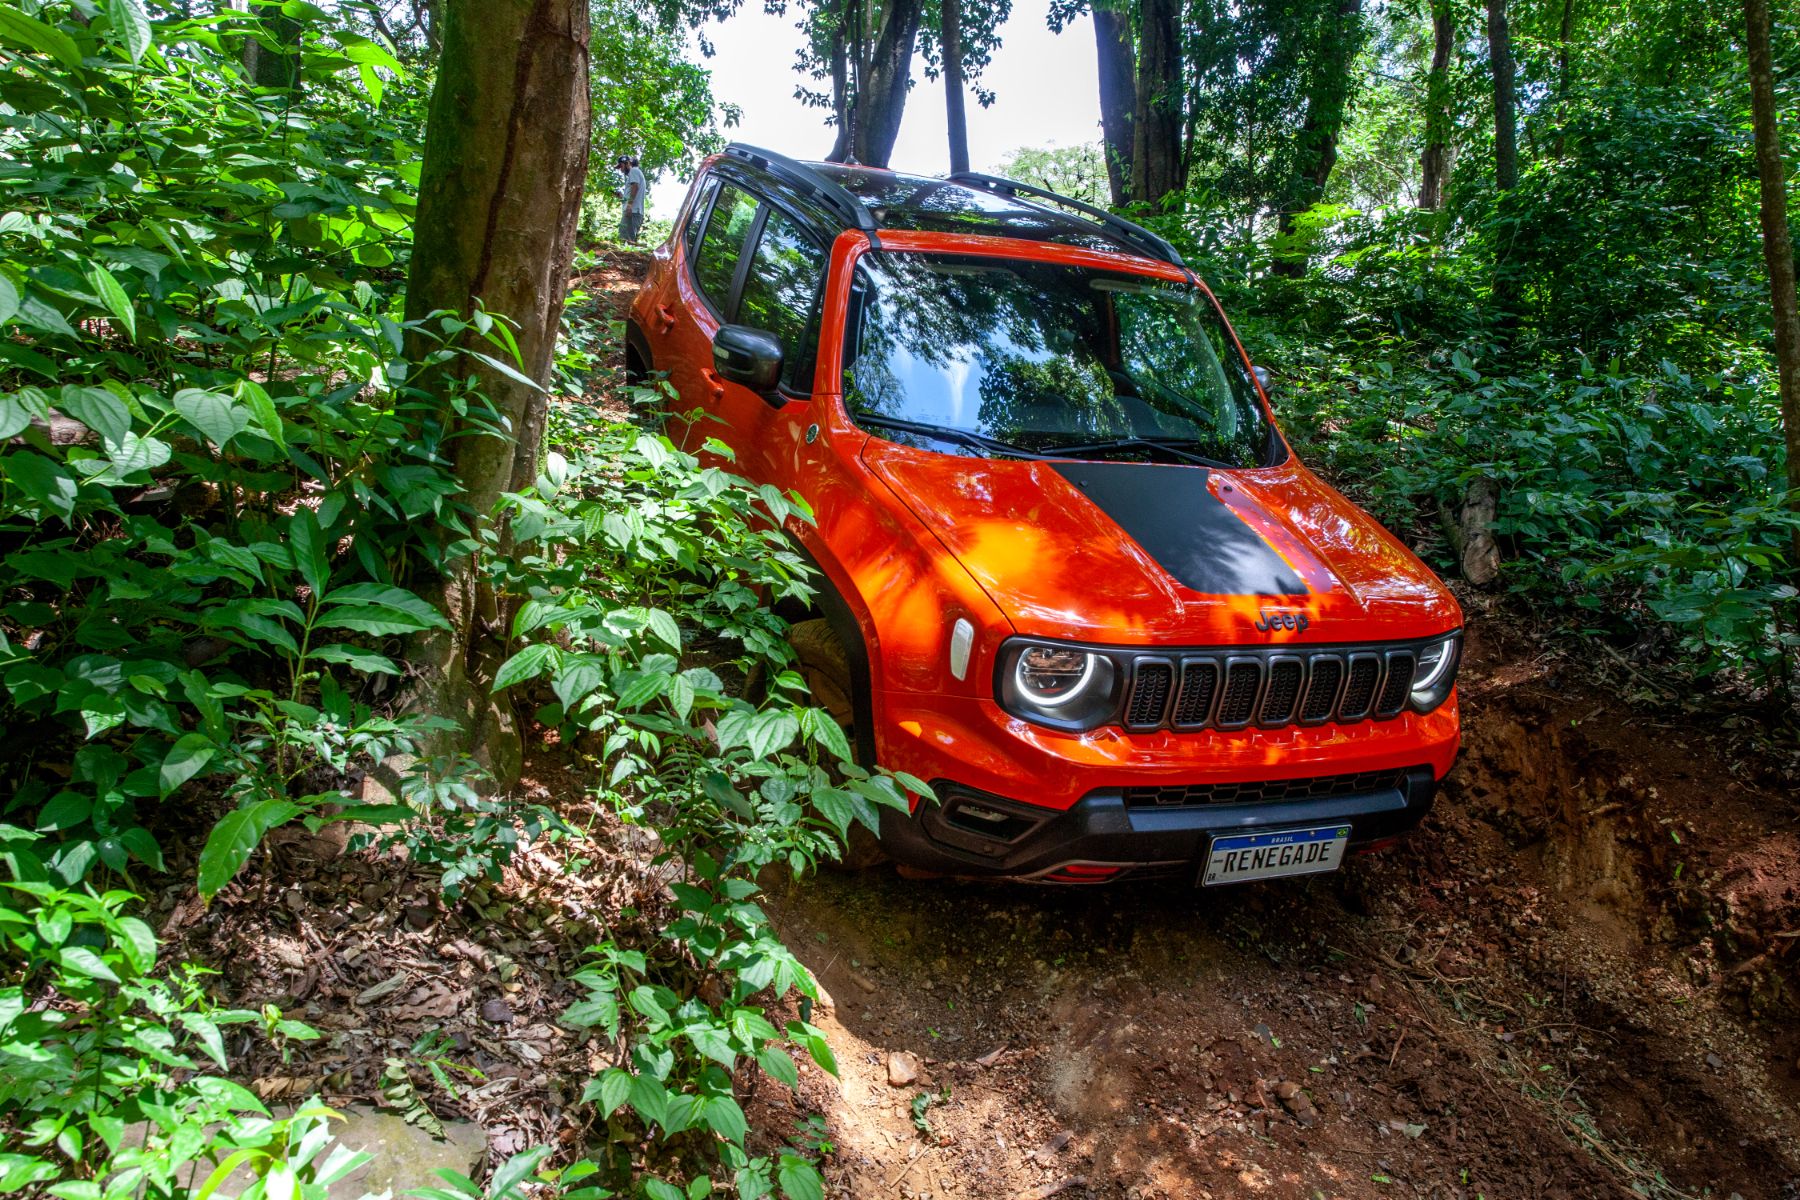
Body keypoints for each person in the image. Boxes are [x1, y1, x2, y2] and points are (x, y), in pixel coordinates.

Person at [615, 154, 647, 245]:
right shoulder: (634, 174)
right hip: (633, 211)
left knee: (625, 239)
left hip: (633, 211)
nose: (621, 170)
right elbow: (634, 191)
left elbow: (635, 187)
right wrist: (622, 197)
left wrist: (629, 204)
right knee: (626, 238)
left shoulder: (634, 171)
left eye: (621, 166)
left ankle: (625, 259)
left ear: (627, 163)